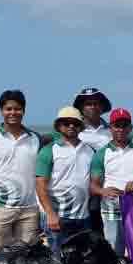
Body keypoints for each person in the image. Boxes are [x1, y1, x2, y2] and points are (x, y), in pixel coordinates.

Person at [0, 90, 43, 252]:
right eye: (8, 109)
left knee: (28, 259)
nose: (13, 113)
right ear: (1, 111)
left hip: (29, 209)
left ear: (24, 111)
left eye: (17, 109)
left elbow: (58, 136)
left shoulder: (35, 138)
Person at [90, 108, 133, 255]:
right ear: (110, 128)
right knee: (114, 249)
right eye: (117, 125)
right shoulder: (102, 154)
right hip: (111, 209)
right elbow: (93, 186)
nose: (120, 129)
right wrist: (103, 191)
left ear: (130, 128)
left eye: (124, 125)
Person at [36, 106, 96, 255]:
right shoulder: (48, 150)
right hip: (58, 217)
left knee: (81, 261)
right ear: (58, 126)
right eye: (66, 123)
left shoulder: (89, 150)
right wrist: (50, 214)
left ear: (80, 127)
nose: (71, 126)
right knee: (59, 261)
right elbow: (40, 185)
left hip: (83, 217)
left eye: (75, 123)